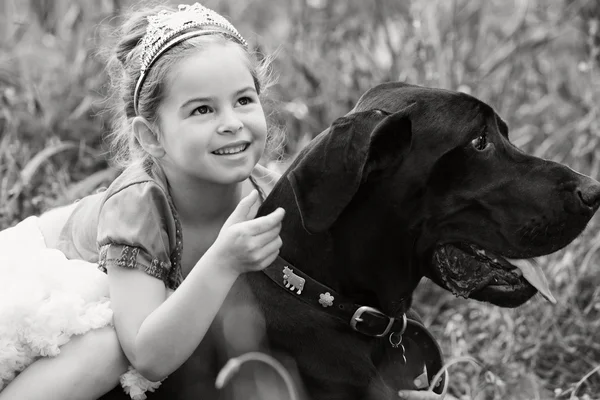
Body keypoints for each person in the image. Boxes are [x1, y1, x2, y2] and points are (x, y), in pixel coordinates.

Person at [0, 3, 444, 400]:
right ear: (150, 137)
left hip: (163, 325)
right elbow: (148, 355)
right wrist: (224, 260)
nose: (232, 123)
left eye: (243, 100)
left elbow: (305, 317)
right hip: (44, 295)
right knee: (107, 349)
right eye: (202, 110)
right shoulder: (139, 206)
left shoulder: (267, 193)